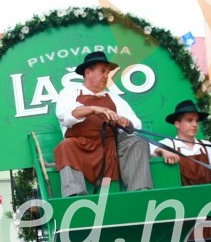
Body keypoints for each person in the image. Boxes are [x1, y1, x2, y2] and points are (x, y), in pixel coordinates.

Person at [54, 51, 152, 197]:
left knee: (137, 141)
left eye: (108, 72)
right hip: (82, 147)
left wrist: (124, 122)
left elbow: (135, 125)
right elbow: (65, 116)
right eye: (103, 71)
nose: (107, 76)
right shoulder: (70, 92)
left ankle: (140, 194)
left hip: (111, 147)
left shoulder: (113, 97)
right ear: (88, 72)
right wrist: (94, 109)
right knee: (65, 146)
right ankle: (75, 196)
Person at [150, 99, 211, 185]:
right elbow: (145, 149)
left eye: (196, 121)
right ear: (177, 124)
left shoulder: (206, 146)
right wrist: (161, 150)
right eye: (189, 120)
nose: (195, 124)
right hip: (180, 198)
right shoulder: (169, 144)